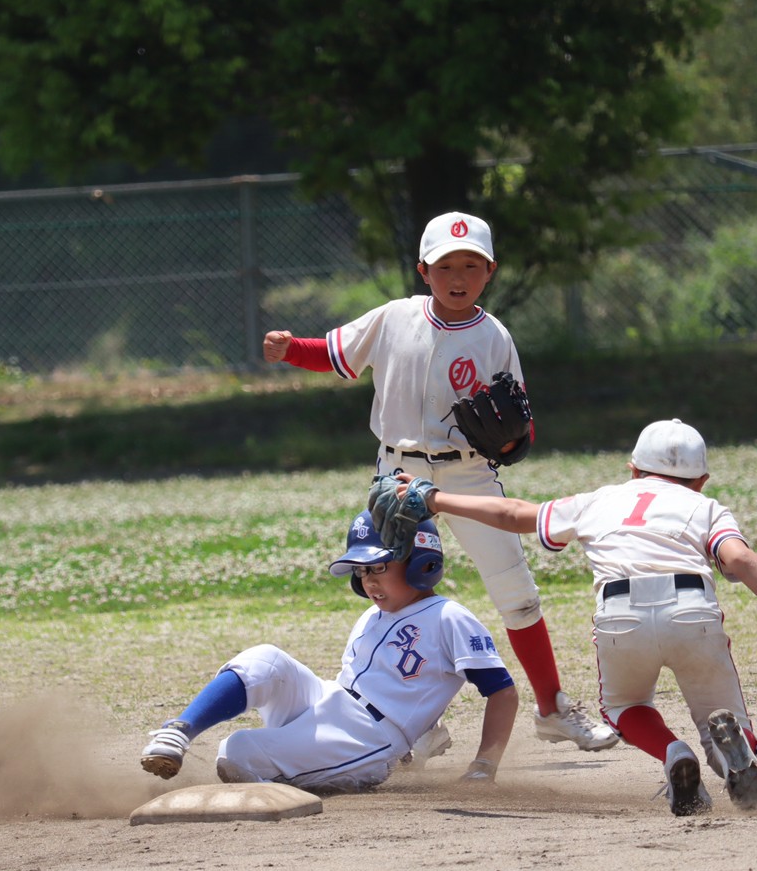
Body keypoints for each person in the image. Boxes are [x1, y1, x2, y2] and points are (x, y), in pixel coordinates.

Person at [261, 211, 616, 752]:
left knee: (517, 594)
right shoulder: (394, 318)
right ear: (423, 270)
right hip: (396, 472)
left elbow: (521, 417)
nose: (458, 275)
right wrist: (290, 349)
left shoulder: (495, 336)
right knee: (392, 591)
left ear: (490, 270)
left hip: (470, 472)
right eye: (445, 264)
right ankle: (413, 723)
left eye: (470, 264)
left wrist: (516, 440)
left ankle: (552, 709)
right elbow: (338, 355)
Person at [390, 418, 757, 816]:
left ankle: (674, 752)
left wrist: (437, 497)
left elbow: (512, 513)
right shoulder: (705, 507)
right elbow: (739, 559)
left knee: (625, 707)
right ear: (700, 480)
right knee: (719, 713)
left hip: (621, 616)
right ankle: (734, 754)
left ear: (634, 470)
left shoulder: (600, 500)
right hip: (691, 609)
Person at [139, 510, 519, 792]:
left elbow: (501, 691)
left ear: (421, 562)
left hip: (369, 738)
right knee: (266, 657)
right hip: (330, 701)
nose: (368, 581)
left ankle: (337, 771)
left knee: (238, 751)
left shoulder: (449, 617)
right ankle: (178, 732)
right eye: (362, 572)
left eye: (379, 567)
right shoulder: (371, 616)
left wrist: (485, 764)